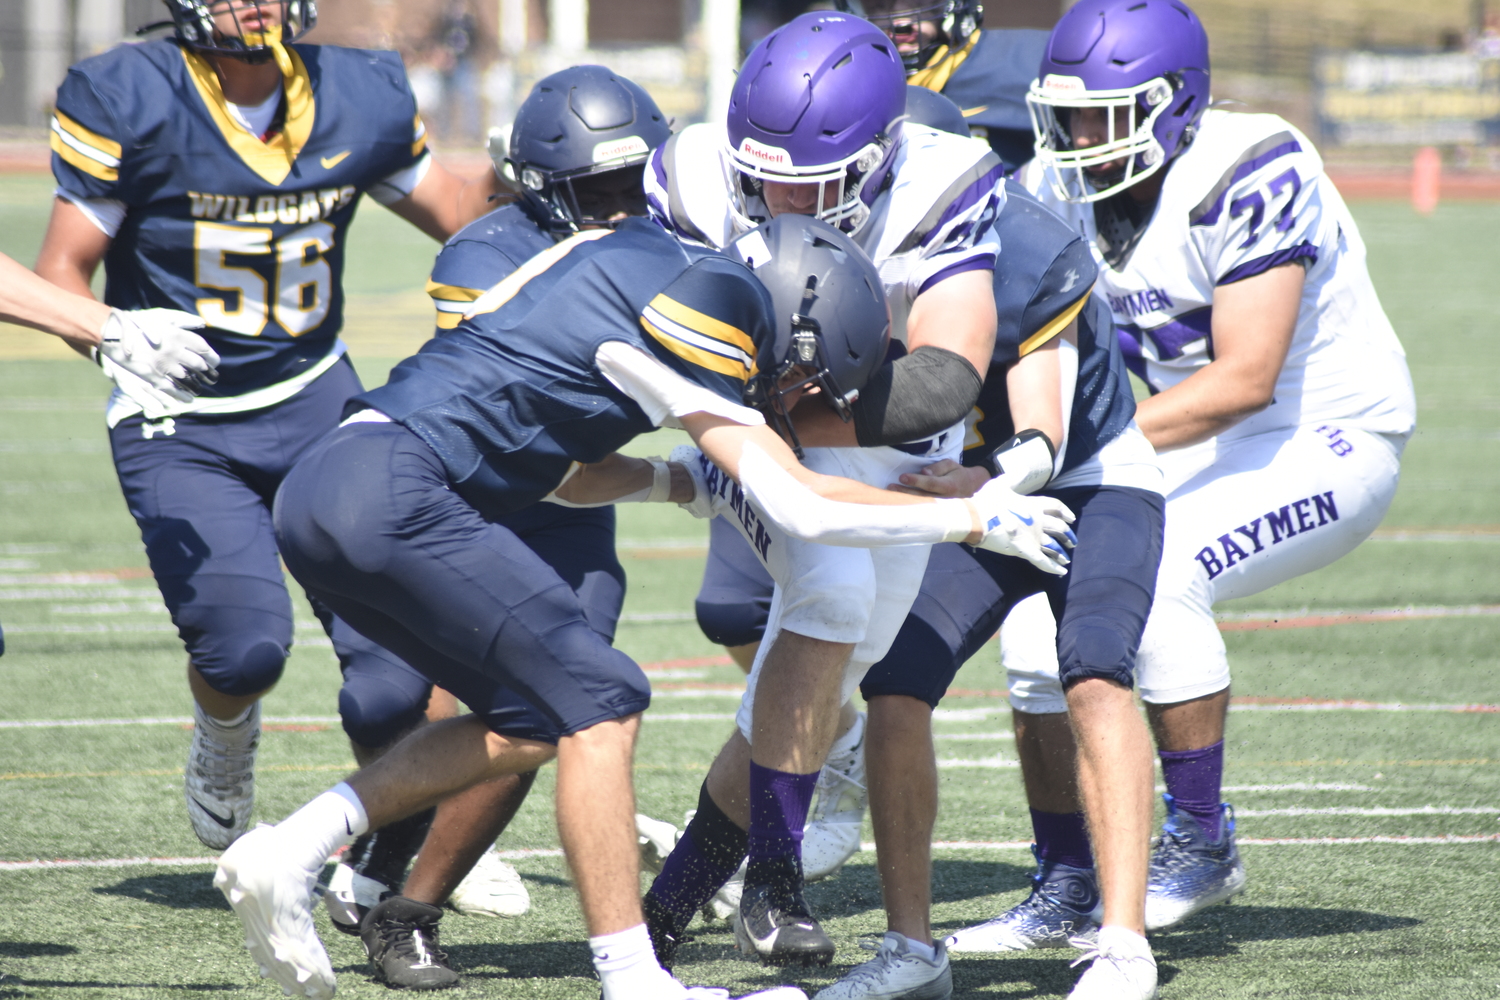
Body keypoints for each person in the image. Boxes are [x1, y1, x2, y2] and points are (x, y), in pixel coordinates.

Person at [213, 211, 1065, 1000]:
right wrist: (974, 516)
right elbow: (804, 504)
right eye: (804, 374)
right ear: (796, 319)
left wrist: (678, 481)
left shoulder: (632, 259)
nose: (792, 393)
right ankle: (634, 974)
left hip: (333, 487)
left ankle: (292, 850)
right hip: (396, 489)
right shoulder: (717, 300)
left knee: (529, 720)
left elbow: (562, 471)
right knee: (606, 700)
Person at [946, 0, 1415, 977]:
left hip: (1323, 433)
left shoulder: (1248, 166)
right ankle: (1068, 882)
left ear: (1177, 107)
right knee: (1038, 633)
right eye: (1067, 116)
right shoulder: (1057, 185)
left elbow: (1244, 379)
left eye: (1103, 116)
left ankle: (1202, 836)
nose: (1079, 140)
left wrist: (1049, 457)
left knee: (1161, 581)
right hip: (1181, 440)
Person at [34, 0, 501, 855]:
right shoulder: (127, 93)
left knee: (394, 684)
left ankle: (396, 850)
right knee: (244, 652)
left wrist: (531, 172)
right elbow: (61, 270)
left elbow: (464, 218)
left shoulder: (359, 90)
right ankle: (225, 734)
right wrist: (114, 342)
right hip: (180, 416)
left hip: (318, 398)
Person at [638, 11, 1055, 969]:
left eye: (811, 179)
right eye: (761, 171)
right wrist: (749, 410)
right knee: (829, 595)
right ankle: (774, 883)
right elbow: (650, 344)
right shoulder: (693, 173)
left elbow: (946, 376)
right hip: (735, 423)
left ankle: (667, 907)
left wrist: (813, 415)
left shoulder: (943, 184)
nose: (779, 196)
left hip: (880, 430)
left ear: (881, 159)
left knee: (830, 670)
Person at [791, 87, 1166, 1000]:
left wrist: (981, 484)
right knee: (895, 683)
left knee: (1094, 672)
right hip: (970, 492)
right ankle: (913, 952)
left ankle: (1123, 942)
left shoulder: (1027, 247)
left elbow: (1043, 440)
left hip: (1087, 481)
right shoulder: (853, 240)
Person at [320, 64, 674, 990]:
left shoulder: (665, 236)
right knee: (389, 703)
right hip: (469, 494)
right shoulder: (479, 255)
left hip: (570, 514)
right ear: (539, 186)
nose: (619, 208)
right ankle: (363, 858)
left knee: (559, 702)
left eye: (633, 185)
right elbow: (541, 424)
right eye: (597, 190)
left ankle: (409, 910)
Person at [839, 0, 1050, 170]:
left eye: (916, 2)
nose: (899, 22)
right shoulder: (843, 83)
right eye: (879, 5)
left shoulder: (1022, 61)